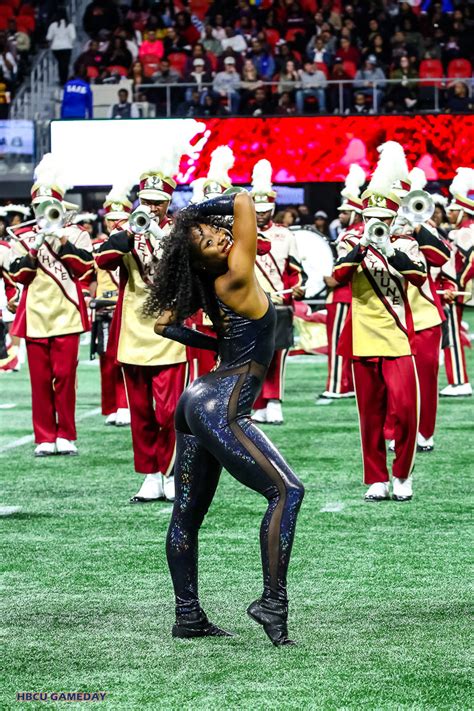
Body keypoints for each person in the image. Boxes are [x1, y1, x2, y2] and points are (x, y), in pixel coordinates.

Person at [144, 190, 305, 645]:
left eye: (212, 233)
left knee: (187, 515)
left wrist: (214, 347)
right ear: (202, 259)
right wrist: (196, 212)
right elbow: (244, 199)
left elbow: (165, 326)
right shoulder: (234, 275)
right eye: (205, 239)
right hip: (223, 405)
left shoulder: (208, 281)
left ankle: (188, 616)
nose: (216, 236)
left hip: (197, 399)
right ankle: (271, 603)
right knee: (287, 492)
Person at [333, 151, 427, 503]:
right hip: (363, 338)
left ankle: (402, 474)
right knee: (370, 416)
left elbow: (418, 277)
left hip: (398, 337)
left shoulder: (405, 243)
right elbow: (336, 278)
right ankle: (377, 478)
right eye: (370, 217)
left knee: (404, 410)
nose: (376, 223)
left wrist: (390, 250)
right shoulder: (349, 242)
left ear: (392, 218)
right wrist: (361, 248)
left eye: (382, 218)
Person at [95, 162, 190, 503]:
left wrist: (161, 237)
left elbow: (194, 263)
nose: (151, 207)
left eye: (158, 201)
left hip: (169, 331)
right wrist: (124, 237)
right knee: (141, 411)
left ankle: (171, 472)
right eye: (146, 200)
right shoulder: (127, 230)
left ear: (169, 201)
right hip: (134, 330)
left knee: (169, 412)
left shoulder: (182, 228)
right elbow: (103, 261)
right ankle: (150, 475)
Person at [8, 154, 94, 456]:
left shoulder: (76, 234)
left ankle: (66, 434)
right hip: (34, 316)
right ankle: (44, 437)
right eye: (39, 208)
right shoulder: (22, 239)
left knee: (65, 378)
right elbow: (18, 274)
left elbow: (85, 268)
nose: (44, 213)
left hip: (66, 314)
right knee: (40, 381)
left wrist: (59, 241)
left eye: (50, 207)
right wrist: (32, 251)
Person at [250, 160, 306, 425]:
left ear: (273, 208)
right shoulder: (241, 234)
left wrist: (299, 286)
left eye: (265, 210)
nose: (260, 215)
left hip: (279, 304)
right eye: (257, 210)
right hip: (248, 305)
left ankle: (274, 401)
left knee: (277, 354)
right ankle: (256, 403)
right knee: (250, 356)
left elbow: (296, 270)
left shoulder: (285, 235)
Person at [321, 164, 365, 401]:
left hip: (342, 295)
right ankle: (349, 383)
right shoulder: (364, 232)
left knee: (337, 342)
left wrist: (333, 279)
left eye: (344, 212)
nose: (340, 216)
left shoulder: (349, 235)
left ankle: (338, 385)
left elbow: (345, 267)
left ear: (355, 214)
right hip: (358, 296)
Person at [439, 168, 474, 397]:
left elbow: (470, 262)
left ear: (463, 212)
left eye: (453, 211)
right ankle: (458, 380)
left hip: (458, 292)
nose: (448, 214)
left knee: (451, 334)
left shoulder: (464, 232)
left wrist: (456, 287)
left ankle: (459, 380)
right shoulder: (463, 230)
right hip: (459, 290)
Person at [46, 10, 77, 86]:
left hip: (56, 47)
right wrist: (70, 43)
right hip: (67, 47)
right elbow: (73, 37)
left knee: (60, 63)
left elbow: (48, 37)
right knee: (65, 64)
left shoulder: (53, 25)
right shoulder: (70, 25)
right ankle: (64, 80)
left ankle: (62, 80)